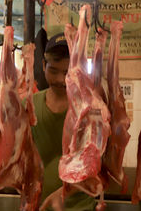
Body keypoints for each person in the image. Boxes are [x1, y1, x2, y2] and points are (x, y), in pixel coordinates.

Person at [31, 33, 96, 211]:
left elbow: (96, 169)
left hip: (80, 208)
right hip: (38, 205)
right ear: (44, 66)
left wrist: (63, 193)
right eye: (53, 71)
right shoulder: (30, 105)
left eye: (67, 73)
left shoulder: (88, 109)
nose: (61, 80)